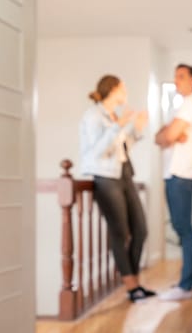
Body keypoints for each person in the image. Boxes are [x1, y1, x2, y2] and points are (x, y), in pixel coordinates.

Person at [80, 75, 155, 303]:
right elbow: (96, 153)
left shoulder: (114, 116)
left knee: (140, 230)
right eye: (123, 89)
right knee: (120, 232)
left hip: (124, 173)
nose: (126, 93)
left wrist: (136, 130)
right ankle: (132, 287)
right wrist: (118, 126)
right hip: (105, 178)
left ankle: (134, 283)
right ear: (112, 89)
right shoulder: (93, 116)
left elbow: (120, 148)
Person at [155, 64, 192, 301]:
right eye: (175, 77)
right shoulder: (184, 106)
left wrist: (170, 134)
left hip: (180, 175)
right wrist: (168, 134)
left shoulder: (189, 104)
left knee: (183, 228)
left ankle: (186, 285)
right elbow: (160, 137)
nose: (176, 81)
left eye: (181, 77)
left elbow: (167, 136)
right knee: (185, 228)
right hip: (181, 174)